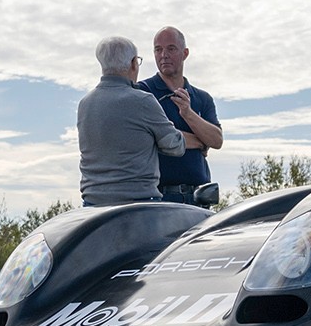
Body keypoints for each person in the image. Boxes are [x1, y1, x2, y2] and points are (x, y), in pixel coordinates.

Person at [77, 36, 187, 207]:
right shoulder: (143, 101)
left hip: (93, 203)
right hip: (138, 204)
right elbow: (175, 146)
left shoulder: (85, 103)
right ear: (133, 63)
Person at [136, 26, 223, 204]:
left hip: (199, 197)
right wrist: (200, 141)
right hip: (159, 198)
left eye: (171, 48)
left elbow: (216, 140)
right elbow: (153, 137)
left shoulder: (202, 98)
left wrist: (188, 114)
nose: (163, 55)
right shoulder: (143, 92)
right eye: (158, 49)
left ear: (185, 53)